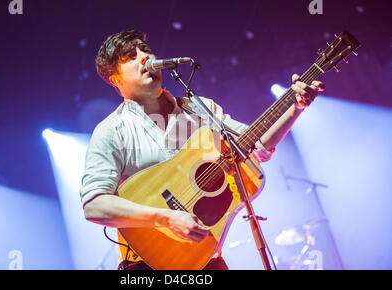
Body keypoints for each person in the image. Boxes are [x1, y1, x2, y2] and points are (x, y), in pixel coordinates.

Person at [80, 30, 325, 270]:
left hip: (206, 260)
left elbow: (258, 146)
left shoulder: (200, 109)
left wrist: (295, 107)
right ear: (115, 78)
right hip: (144, 265)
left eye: (145, 50)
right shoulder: (112, 130)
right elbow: (94, 205)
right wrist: (165, 217)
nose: (143, 57)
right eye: (130, 56)